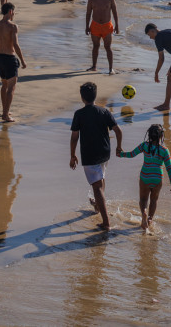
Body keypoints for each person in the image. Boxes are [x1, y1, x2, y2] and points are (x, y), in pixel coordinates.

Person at [69, 81, 123, 231]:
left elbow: (74, 137)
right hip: (105, 153)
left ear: (82, 97)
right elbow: (118, 131)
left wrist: (72, 155)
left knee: (97, 186)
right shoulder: (104, 112)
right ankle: (98, 206)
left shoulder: (79, 114)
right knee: (100, 178)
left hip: (90, 154)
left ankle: (106, 223)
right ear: (95, 96)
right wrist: (118, 147)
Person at [118, 124, 171, 231]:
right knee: (154, 200)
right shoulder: (164, 150)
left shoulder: (144, 146)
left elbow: (132, 154)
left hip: (145, 176)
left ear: (149, 135)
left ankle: (144, 213)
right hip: (157, 178)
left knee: (143, 199)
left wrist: (121, 154)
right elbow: (170, 168)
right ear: (161, 136)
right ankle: (149, 220)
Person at [0, 3, 27, 122]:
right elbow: (15, 45)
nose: (14, 14)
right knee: (11, 88)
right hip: (9, 58)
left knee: (4, 85)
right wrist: (22, 60)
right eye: (13, 12)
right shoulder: (13, 26)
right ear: (10, 11)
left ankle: (5, 110)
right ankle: (5, 115)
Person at [85, 0, 119, 74]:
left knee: (108, 47)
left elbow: (115, 12)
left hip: (107, 26)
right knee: (95, 46)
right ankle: (94, 66)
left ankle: (111, 68)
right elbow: (88, 13)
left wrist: (117, 26)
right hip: (95, 25)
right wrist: (87, 26)